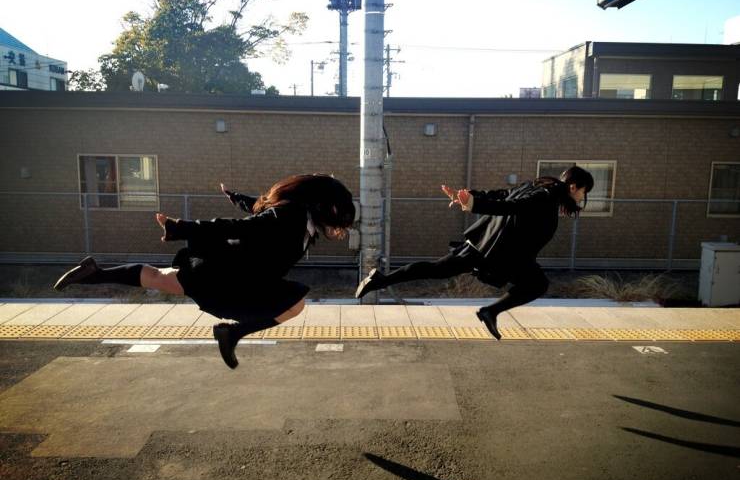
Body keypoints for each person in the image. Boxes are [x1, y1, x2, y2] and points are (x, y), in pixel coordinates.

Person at [54, 174, 356, 368]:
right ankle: (232, 332)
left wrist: (234, 195)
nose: (337, 228)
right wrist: (180, 228)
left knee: (159, 279)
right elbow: (242, 226)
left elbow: (256, 207)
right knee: (295, 303)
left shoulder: (297, 217)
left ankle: (94, 272)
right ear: (321, 206)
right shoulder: (292, 216)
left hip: (235, 273)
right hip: (230, 275)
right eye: (337, 218)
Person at [355, 166, 594, 339]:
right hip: (497, 252)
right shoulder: (545, 196)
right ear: (574, 186)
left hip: (490, 248)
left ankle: (380, 279)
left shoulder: (538, 185)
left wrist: (470, 195)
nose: (583, 197)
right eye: (584, 192)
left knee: (438, 269)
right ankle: (490, 311)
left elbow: (502, 194)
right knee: (537, 285)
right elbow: (510, 205)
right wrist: (472, 204)